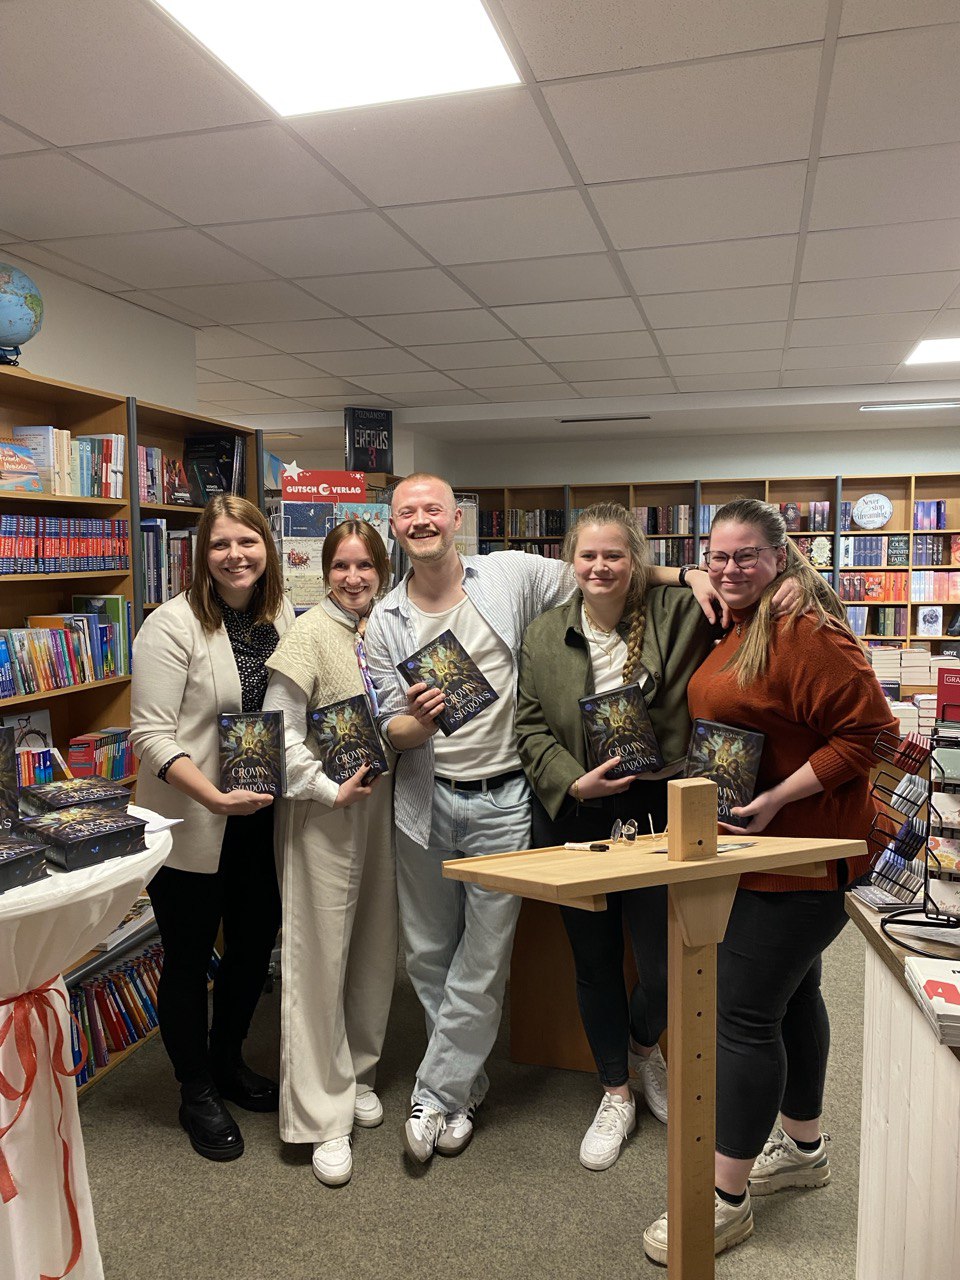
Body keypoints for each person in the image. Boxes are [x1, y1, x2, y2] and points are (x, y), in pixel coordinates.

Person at [362, 473, 723, 1165]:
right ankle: (462, 1090)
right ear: (394, 524)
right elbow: (390, 730)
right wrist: (418, 722)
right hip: (428, 801)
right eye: (407, 511)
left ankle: (434, 1094)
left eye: (433, 507)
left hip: (506, 801)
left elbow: (602, 567)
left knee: (483, 961)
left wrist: (688, 571)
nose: (421, 520)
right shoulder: (385, 620)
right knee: (429, 957)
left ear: (456, 517)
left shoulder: (508, 577)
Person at [642, 498, 897, 1263]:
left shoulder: (804, 630)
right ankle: (805, 1150)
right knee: (793, 998)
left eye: (745, 556)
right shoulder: (740, 617)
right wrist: (694, 577)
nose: (729, 568)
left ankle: (724, 1200)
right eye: (716, 556)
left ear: (779, 558)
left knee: (742, 1014)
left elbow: (872, 733)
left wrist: (778, 799)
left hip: (806, 857)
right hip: (760, 854)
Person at [515, 503, 717, 1170]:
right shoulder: (544, 632)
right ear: (569, 561)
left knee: (663, 965)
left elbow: (754, 588)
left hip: (661, 806)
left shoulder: (678, 612)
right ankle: (614, 1091)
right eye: (588, 555)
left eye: (614, 555)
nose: (599, 567)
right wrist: (573, 783)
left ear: (637, 561)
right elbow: (529, 724)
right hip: (578, 812)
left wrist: (690, 573)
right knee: (594, 958)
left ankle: (641, 1046)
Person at [130, 495, 294, 1162]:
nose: (235, 556)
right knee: (189, 958)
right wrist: (215, 799)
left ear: (266, 548)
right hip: (194, 822)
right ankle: (194, 1087)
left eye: (247, 542)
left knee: (252, 949)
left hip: (261, 821)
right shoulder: (169, 626)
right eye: (221, 544)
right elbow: (149, 735)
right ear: (202, 554)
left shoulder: (280, 615)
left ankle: (227, 1060)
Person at [262, 520, 396, 1187]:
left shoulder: (388, 631)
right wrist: (322, 787)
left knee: (373, 943)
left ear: (382, 571)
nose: (353, 577)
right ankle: (320, 1114)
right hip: (322, 809)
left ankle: (358, 1071)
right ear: (324, 572)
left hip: (381, 804)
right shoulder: (308, 633)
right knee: (317, 958)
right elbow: (277, 732)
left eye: (365, 565)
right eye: (341, 566)